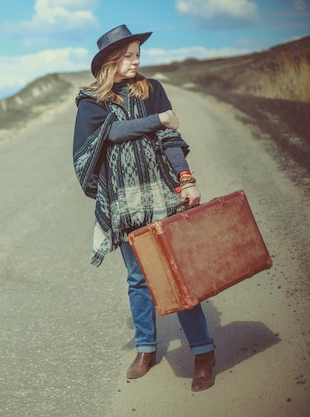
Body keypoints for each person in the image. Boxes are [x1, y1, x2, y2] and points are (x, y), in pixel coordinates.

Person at [72, 24, 216, 392]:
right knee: (138, 279)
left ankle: (202, 351)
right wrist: (157, 120)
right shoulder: (91, 102)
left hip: (161, 195)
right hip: (124, 202)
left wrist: (186, 179)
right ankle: (146, 348)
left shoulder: (152, 89)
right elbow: (108, 136)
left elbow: (170, 138)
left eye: (138, 54)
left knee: (176, 274)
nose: (137, 61)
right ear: (110, 61)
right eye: (129, 55)